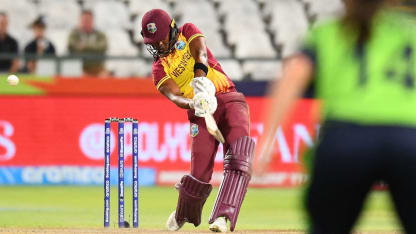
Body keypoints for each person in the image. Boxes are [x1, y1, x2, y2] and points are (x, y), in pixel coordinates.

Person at [254, 0, 416, 233]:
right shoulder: (411, 32)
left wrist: (267, 141)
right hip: (409, 139)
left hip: (345, 140)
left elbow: (294, 73)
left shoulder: (328, 32)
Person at [141, 9, 255, 233]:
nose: (157, 46)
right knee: (200, 173)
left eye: (159, 40)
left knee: (240, 156)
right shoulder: (158, 68)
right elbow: (174, 95)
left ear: (172, 29)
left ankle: (223, 217)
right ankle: (184, 212)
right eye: (152, 42)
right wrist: (194, 103)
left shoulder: (188, 31)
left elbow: (201, 53)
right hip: (200, 111)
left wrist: (201, 83)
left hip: (228, 98)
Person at [68, 10, 108, 77]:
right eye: (84, 20)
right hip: (79, 69)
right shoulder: (74, 34)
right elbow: (72, 46)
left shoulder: (100, 35)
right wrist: (94, 48)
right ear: (80, 20)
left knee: (106, 77)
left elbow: (103, 47)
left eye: (88, 19)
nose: (86, 22)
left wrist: (83, 46)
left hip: (98, 69)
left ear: (92, 20)